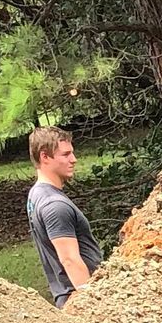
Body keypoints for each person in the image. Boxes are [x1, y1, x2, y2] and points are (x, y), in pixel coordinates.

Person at [25, 126, 104, 308]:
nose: (73, 160)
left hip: (65, 296)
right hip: (76, 297)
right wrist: (91, 305)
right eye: (66, 154)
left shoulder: (36, 194)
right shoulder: (55, 205)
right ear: (45, 157)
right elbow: (70, 260)